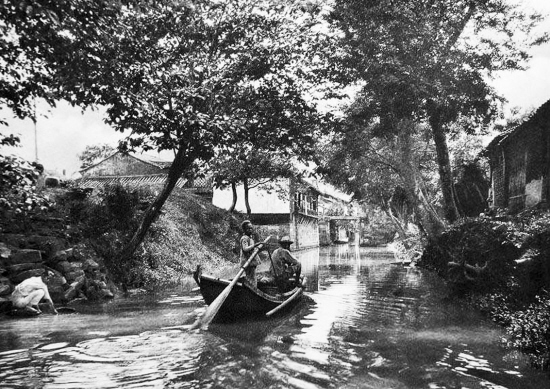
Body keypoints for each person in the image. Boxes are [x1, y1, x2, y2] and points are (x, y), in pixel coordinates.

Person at [239, 220, 264, 288]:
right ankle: (252, 290)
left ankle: (253, 288)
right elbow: (245, 249)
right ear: (244, 230)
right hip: (248, 261)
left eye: (251, 228)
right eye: (248, 228)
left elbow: (252, 249)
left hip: (251, 261)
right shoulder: (244, 238)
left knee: (252, 277)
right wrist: (255, 245)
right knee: (251, 278)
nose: (250, 230)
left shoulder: (250, 238)